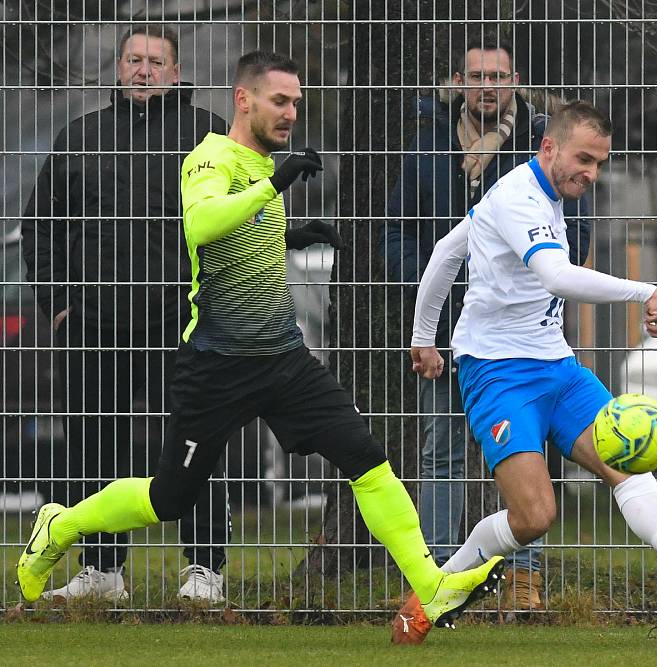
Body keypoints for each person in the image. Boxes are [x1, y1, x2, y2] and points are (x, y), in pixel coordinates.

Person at [17, 50, 505, 632]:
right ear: (243, 100)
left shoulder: (263, 164)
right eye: (281, 101)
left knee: (366, 457)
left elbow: (248, 239)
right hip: (217, 364)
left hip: (284, 359)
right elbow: (202, 226)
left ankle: (432, 586)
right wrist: (276, 182)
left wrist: (299, 232)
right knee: (170, 497)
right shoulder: (210, 158)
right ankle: (61, 525)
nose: (292, 113)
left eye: (297, 102)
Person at [394, 99, 657, 643]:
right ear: (548, 147)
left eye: (599, 163)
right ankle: (431, 594)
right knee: (533, 517)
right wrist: (645, 289)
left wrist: (423, 337)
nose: (590, 173)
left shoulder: (541, 195)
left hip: (557, 366)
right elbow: (556, 276)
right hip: (498, 373)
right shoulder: (519, 197)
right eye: (582, 159)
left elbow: (447, 252)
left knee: (625, 458)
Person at [381, 35, 591, 619]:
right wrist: (433, 297)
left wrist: (541, 286)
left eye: (499, 75)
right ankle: (446, 576)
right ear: (459, 83)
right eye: (477, 76)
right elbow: (398, 232)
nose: (488, 86)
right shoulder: (429, 145)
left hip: (524, 338)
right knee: (441, 454)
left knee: (532, 453)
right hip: (451, 330)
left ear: (515, 80)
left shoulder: (542, 148)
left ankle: (525, 579)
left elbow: (579, 232)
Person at [21, 25, 231, 603]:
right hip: (92, 324)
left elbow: (239, 227)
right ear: (118, 68)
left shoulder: (209, 136)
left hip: (181, 323)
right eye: (134, 60)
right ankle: (102, 571)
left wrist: (213, 307)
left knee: (195, 441)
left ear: (176, 71)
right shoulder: (80, 136)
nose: (144, 71)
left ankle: (206, 569)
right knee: (92, 446)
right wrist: (60, 308)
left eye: (156, 62)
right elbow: (41, 230)